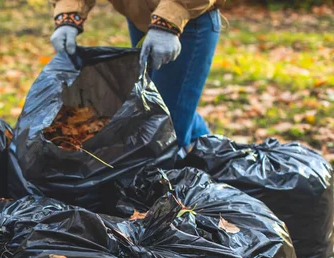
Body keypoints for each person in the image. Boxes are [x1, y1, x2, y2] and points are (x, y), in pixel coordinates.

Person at [50, 0, 223, 149]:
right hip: (142, 19)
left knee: (165, 131)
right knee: (157, 106)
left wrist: (169, 21)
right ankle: (210, 159)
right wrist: (68, 13)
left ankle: (177, 176)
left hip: (189, 21)